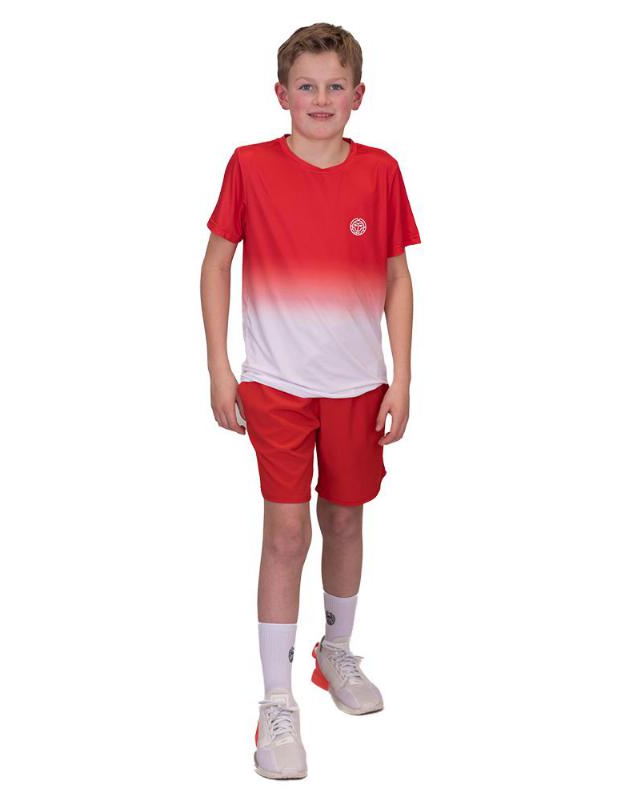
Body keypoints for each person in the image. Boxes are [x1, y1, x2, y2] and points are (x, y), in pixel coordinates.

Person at [200, 22, 421, 780]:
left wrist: (402, 376)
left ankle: (336, 652)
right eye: (307, 86)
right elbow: (216, 264)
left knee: (346, 518)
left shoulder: (381, 171)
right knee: (287, 532)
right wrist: (220, 368)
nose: (320, 98)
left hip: (358, 383)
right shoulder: (249, 166)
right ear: (281, 94)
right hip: (276, 382)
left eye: (335, 86)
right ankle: (275, 701)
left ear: (358, 95)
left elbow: (396, 276)